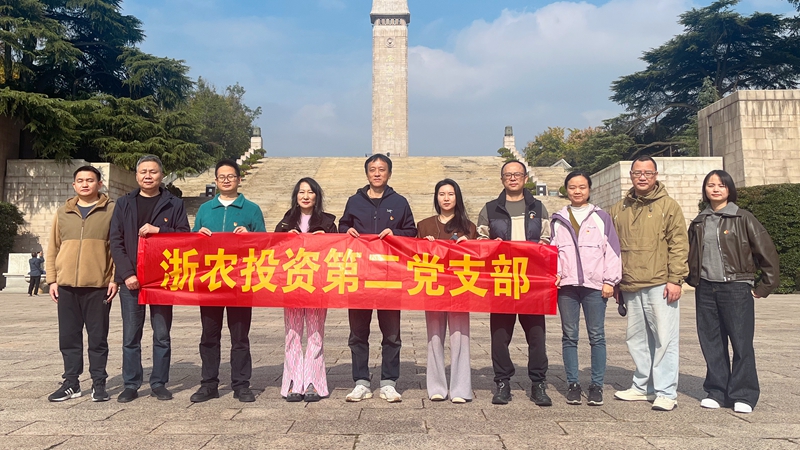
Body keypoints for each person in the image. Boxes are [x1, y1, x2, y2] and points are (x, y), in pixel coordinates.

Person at [687, 170, 779, 414]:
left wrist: (763, 287)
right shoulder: (699, 221)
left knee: (741, 343)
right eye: (710, 185)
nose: (715, 189)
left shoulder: (742, 218)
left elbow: (766, 253)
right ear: (705, 189)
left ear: (729, 189)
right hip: (706, 288)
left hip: (736, 287)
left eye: (721, 185)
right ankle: (717, 391)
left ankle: (744, 394)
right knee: (712, 342)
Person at [610, 156, 688, 412]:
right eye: (637, 172)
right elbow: (611, 247)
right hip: (630, 283)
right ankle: (643, 386)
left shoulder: (669, 206)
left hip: (659, 283)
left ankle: (666, 391)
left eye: (648, 172)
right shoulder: (618, 208)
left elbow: (679, 244)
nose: (642, 177)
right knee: (636, 339)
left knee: (664, 338)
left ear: (655, 175)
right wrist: (615, 281)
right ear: (630, 175)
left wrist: (675, 279)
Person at [110, 155, 190, 403]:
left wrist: (160, 231)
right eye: (143, 171)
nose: (148, 176)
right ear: (136, 176)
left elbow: (184, 237)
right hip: (131, 280)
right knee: (130, 335)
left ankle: (158, 382)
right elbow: (116, 241)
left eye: (153, 172)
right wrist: (127, 274)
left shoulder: (174, 204)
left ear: (161, 175)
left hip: (162, 281)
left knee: (162, 334)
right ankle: (131, 383)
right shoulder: (124, 203)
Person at [338, 154, 417, 403]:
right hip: (359, 277)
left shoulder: (400, 202)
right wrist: (346, 231)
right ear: (367, 173)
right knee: (358, 333)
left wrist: (395, 233)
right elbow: (342, 228)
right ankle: (361, 382)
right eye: (372, 169)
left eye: (382, 169)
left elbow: (412, 233)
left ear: (389, 174)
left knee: (391, 334)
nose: (377, 173)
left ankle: (388, 382)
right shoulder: (354, 201)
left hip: (389, 278)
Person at [476, 160, 552, 406]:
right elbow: (481, 242)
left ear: (525, 178)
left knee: (536, 335)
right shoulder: (490, 209)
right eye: (508, 175)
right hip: (501, 279)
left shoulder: (538, 208)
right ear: (502, 179)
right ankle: (502, 382)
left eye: (517, 174)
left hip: (531, 281)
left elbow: (547, 240)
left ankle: (538, 383)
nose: (512, 178)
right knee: (500, 335)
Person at [190, 159, 265, 404]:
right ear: (215, 180)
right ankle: (209, 384)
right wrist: (197, 236)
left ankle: (241, 384)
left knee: (240, 337)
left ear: (239, 179)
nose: (225, 180)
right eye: (221, 176)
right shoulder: (205, 210)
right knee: (209, 337)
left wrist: (250, 236)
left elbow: (264, 244)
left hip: (240, 284)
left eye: (230, 176)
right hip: (210, 283)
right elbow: (190, 244)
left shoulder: (251, 209)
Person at [46, 166, 118, 402]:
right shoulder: (63, 212)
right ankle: (71, 383)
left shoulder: (111, 210)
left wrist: (114, 278)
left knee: (98, 338)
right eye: (80, 180)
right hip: (66, 286)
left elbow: (117, 247)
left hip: (97, 286)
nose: (85, 184)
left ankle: (99, 384)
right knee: (68, 337)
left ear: (100, 183)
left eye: (90, 180)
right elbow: (53, 248)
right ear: (74, 185)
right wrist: (52, 280)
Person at [550, 171, 621, 406]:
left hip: (594, 286)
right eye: (572, 187)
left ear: (589, 189)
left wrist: (610, 281)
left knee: (597, 336)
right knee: (569, 336)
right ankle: (572, 383)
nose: (577, 191)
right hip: (567, 287)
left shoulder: (601, 217)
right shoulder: (558, 218)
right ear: (566, 190)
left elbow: (611, 250)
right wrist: (556, 274)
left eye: (582, 186)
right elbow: (553, 252)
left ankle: (596, 385)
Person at [275, 177, 337, 402]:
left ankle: (312, 382)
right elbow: (273, 250)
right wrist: (285, 239)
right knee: (292, 334)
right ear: (296, 196)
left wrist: (326, 238)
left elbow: (337, 253)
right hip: (291, 285)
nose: (305, 196)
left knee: (315, 333)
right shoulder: (285, 222)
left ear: (316, 196)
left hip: (318, 286)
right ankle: (292, 382)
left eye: (310, 192)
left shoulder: (328, 223)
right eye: (301, 192)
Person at [417, 179, 476, 404]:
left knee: (460, 337)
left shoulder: (468, 227)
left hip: (460, 288)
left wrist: (469, 244)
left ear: (457, 197)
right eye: (442, 194)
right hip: (432, 288)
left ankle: (461, 389)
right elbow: (411, 257)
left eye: (451, 194)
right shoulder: (424, 226)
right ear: (436, 197)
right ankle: (437, 387)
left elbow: (480, 257)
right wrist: (424, 245)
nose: (446, 198)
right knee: (434, 337)